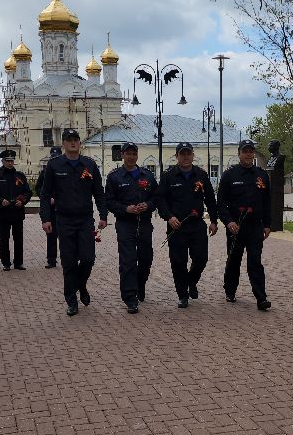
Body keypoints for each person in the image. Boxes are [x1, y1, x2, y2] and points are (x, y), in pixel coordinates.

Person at [39, 128, 107, 316]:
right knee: (69, 262)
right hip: (64, 220)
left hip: (85, 219)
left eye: (76, 139)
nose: (73, 142)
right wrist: (45, 218)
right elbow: (44, 195)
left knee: (88, 259)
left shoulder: (89, 165)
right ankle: (71, 299)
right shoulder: (54, 165)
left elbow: (98, 192)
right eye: (69, 140)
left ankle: (81, 285)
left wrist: (103, 215)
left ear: (80, 142)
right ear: (64, 144)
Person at [157, 141, 218, 309]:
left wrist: (213, 220)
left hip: (197, 224)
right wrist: (169, 217)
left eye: (188, 153)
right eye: (182, 154)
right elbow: (160, 200)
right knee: (178, 262)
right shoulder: (168, 175)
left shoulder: (201, 175)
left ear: (193, 155)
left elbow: (211, 200)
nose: (185, 157)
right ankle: (182, 294)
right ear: (176, 156)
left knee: (201, 259)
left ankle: (191, 281)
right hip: (176, 226)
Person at [217, 138, 272, 310]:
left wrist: (267, 224)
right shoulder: (229, 175)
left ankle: (261, 298)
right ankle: (230, 290)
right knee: (234, 260)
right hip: (235, 227)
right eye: (245, 151)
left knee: (255, 262)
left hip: (255, 226)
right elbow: (221, 203)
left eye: (251, 151)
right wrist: (228, 222)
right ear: (239, 154)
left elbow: (267, 201)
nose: (248, 154)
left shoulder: (261, 175)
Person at [105, 141, 158, 314]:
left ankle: (139, 285)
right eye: (127, 154)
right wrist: (125, 209)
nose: (131, 157)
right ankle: (130, 298)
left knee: (146, 259)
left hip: (144, 223)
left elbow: (157, 198)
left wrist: (148, 205)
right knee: (128, 261)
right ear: (122, 155)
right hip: (125, 224)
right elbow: (109, 201)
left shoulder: (147, 176)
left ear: (137, 155)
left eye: (134, 154)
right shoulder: (114, 177)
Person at [0, 150, 32, 270]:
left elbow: (28, 192)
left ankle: (18, 263)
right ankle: (6, 263)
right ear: (2, 161)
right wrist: (0, 200)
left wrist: (23, 201)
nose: (10, 163)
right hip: (3, 213)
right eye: (8, 161)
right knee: (4, 239)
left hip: (17, 212)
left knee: (18, 239)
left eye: (12, 160)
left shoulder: (19, 176)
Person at [36, 146, 62, 268]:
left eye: (57, 157)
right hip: (50, 210)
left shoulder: (66, 170)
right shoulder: (45, 172)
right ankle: (51, 260)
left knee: (65, 236)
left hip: (62, 209)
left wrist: (56, 199)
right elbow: (38, 188)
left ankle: (68, 259)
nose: (55, 159)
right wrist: (46, 199)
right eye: (53, 157)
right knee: (51, 236)